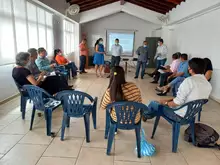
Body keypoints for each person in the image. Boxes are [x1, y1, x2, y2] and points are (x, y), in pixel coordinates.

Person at [145, 58, 212, 120]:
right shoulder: (208, 85)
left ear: (191, 69)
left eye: (188, 67)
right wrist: (168, 100)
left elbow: (177, 102)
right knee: (160, 103)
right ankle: (149, 114)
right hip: (192, 114)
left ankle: (146, 115)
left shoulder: (189, 81)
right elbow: (189, 98)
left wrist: (165, 103)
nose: (188, 68)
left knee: (153, 103)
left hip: (178, 115)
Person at [101, 66, 142, 132]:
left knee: (108, 109)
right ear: (123, 75)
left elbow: (103, 107)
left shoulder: (110, 91)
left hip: (117, 119)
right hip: (134, 119)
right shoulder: (133, 86)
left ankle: (113, 131)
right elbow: (140, 102)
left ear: (111, 76)